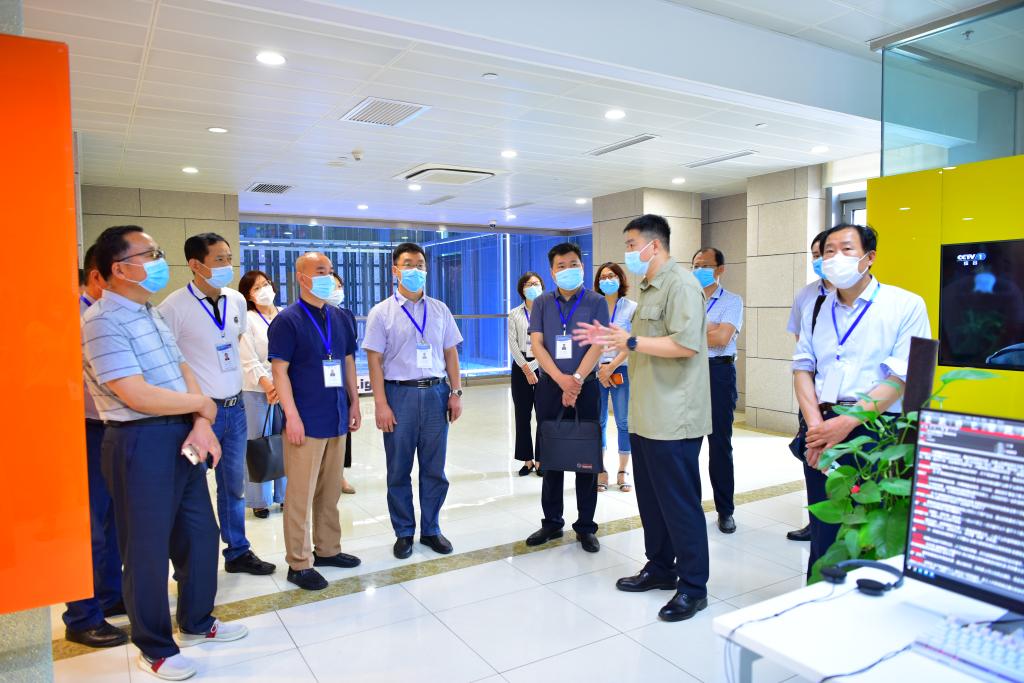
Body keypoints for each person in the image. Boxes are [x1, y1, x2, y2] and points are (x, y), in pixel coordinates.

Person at [82, 226, 248, 680]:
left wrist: (201, 419)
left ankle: (196, 620)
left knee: (199, 533)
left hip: (182, 433)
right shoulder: (101, 321)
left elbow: (181, 366)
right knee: (147, 549)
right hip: (139, 440)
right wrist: (201, 406)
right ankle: (154, 646)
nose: (158, 260)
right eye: (149, 253)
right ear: (119, 268)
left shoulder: (148, 311)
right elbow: (134, 393)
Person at [574, 214, 712, 622]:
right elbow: (640, 343)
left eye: (632, 244)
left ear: (655, 245)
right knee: (652, 501)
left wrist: (630, 340)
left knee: (680, 504)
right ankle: (660, 567)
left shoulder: (681, 285)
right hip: (646, 413)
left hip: (674, 416)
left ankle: (693, 587)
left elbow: (686, 344)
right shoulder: (648, 289)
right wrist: (614, 347)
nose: (628, 253)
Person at [792, 223, 930, 578]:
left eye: (846, 249)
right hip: (822, 428)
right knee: (826, 527)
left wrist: (846, 423)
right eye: (829, 251)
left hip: (878, 431)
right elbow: (802, 368)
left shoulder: (905, 304)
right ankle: (820, 595)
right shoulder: (816, 308)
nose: (835, 257)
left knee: (871, 526)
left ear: (869, 258)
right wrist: (816, 428)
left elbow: (901, 378)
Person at [158, 233, 275, 576]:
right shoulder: (173, 307)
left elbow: (234, 344)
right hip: (196, 417)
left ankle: (237, 550)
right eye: (219, 259)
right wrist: (193, 406)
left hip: (235, 409)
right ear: (196, 264)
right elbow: (168, 363)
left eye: (229, 258)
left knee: (233, 485)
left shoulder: (236, 300)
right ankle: (189, 561)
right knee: (189, 487)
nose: (227, 265)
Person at [363, 242, 465, 560]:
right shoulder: (381, 312)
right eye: (408, 264)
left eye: (420, 264)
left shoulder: (440, 309)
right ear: (395, 270)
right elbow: (374, 361)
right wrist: (381, 404)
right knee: (399, 469)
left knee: (434, 468)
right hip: (399, 394)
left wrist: (456, 392)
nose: (416, 269)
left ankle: (431, 529)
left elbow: (450, 353)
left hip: (436, 393)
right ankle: (404, 532)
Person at [268, 252, 362, 591]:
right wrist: (291, 416)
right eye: (321, 271)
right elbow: (279, 372)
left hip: (336, 415)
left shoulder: (340, 317)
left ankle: (327, 549)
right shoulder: (287, 321)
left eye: (330, 271)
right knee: (299, 496)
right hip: (305, 420)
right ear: (302, 277)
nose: (328, 277)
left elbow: (347, 362)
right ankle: (299, 562)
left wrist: (354, 402)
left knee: (329, 491)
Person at [524, 243, 608, 553]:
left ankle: (585, 526)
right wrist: (561, 380)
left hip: (586, 387)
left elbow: (598, 344)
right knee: (551, 455)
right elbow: (537, 344)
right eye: (561, 265)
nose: (568, 269)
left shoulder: (596, 301)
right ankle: (552, 522)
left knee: (586, 457)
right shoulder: (542, 302)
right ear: (552, 271)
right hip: (550, 386)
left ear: (582, 267)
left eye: (574, 264)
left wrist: (576, 380)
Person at [63, 244, 127, 649]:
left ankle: (109, 594)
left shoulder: (115, 315)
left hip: (115, 427)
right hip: (83, 429)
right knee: (90, 528)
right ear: (97, 276)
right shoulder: (73, 319)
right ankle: (81, 615)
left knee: (115, 519)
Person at [691, 247, 743, 534]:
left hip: (718, 373)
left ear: (720, 269)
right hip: (689, 373)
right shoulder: (686, 300)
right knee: (688, 445)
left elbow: (722, 338)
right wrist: (707, 328)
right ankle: (691, 508)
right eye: (695, 265)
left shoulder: (732, 301)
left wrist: (693, 333)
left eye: (705, 265)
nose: (699, 269)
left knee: (720, 445)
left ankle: (725, 510)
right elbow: (673, 335)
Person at [784, 230, 832, 543]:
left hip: (851, 402)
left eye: (824, 253)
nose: (820, 260)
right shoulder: (806, 296)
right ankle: (816, 522)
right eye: (815, 255)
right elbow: (801, 344)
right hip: (814, 391)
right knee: (812, 460)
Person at [237, 270, 287, 518]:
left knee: (285, 442)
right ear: (248, 295)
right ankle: (259, 500)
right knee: (259, 443)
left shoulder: (285, 315)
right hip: (257, 391)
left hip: (287, 389)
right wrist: (269, 385)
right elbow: (248, 359)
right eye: (257, 287)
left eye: (266, 284)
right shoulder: (247, 320)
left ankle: (285, 495)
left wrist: (282, 385)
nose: (264, 289)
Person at [594, 262, 637, 493]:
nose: (607, 280)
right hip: (597, 370)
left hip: (621, 369)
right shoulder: (593, 307)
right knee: (598, 422)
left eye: (611, 276)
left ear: (620, 279)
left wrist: (611, 367)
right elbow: (589, 342)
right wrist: (601, 369)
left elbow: (632, 342)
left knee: (623, 421)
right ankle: (600, 469)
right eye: (603, 277)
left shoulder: (631, 307)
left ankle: (623, 470)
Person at [508, 271, 544, 476]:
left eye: (536, 283)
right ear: (522, 289)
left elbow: (549, 343)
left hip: (544, 364)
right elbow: (512, 344)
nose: (533, 287)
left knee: (543, 414)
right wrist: (526, 367)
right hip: (520, 364)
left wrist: (535, 365)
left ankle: (541, 459)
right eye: (529, 284)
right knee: (522, 415)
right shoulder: (514, 313)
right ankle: (527, 460)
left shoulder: (548, 312)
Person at [328, 272, 357, 495]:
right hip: (318, 381)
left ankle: (339, 474)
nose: (337, 291)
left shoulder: (346, 316)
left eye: (340, 286)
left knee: (343, 428)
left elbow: (350, 353)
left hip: (341, 379)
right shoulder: (307, 315)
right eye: (333, 286)